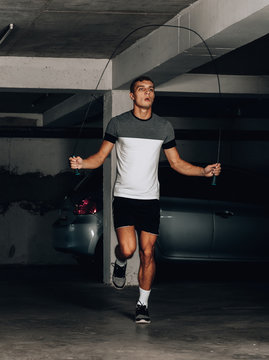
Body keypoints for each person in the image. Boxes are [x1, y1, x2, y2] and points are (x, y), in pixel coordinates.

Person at [69, 76, 221, 324]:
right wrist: (82, 163)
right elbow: (99, 157)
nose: (147, 93)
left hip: (150, 199)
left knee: (148, 253)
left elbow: (177, 163)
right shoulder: (117, 124)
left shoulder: (164, 127)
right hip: (124, 197)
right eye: (141, 89)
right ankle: (119, 260)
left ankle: (142, 305)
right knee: (128, 250)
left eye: (151, 90)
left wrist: (203, 171)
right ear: (132, 96)